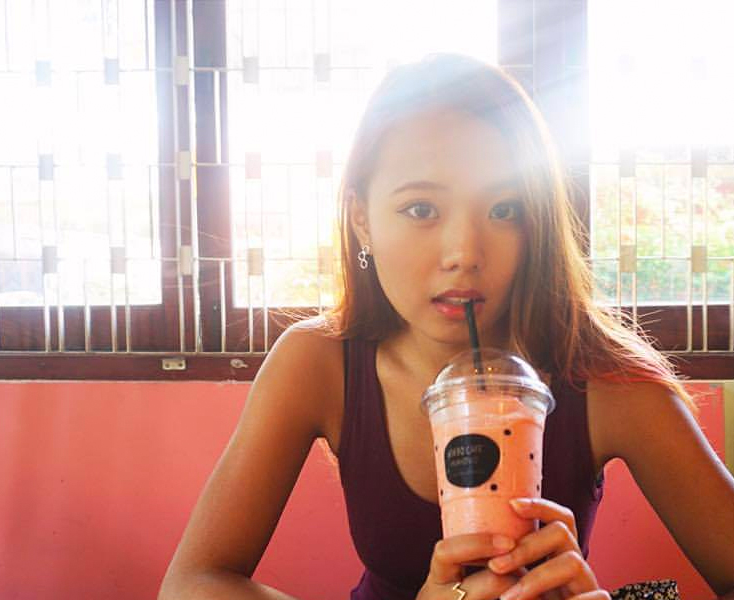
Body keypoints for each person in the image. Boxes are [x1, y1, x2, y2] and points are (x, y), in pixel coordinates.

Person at [157, 54, 734, 600]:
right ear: (362, 220)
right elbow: (192, 583)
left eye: (504, 209)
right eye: (422, 209)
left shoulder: (601, 378)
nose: (464, 253)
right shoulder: (319, 363)